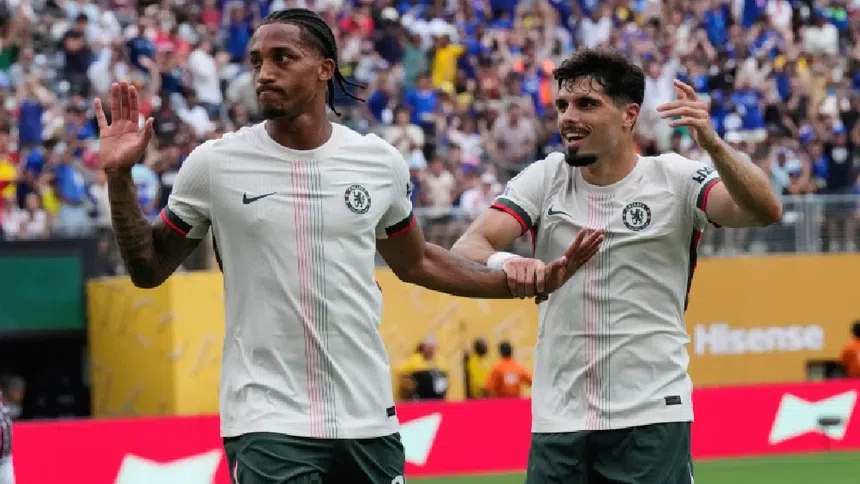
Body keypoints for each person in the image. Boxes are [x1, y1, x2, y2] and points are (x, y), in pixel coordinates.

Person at [94, 9, 599, 484]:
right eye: (257, 61)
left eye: (282, 58)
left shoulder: (378, 162)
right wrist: (119, 178)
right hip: (267, 418)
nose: (264, 73)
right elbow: (148, 268)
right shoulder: (214, 165)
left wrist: (516, 282)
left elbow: (418, 261)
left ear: (325, 69)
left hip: (368, 416)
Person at [452, 48, 782, 484]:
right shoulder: (545, 178)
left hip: (650, 417)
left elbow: (764, 210)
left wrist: (714, 146)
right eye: (562, 105)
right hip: (558, 419)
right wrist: (509, 261)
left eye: (587, 104)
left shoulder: (676, 178)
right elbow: (468, 246)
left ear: (629, 116)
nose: (568, 117)